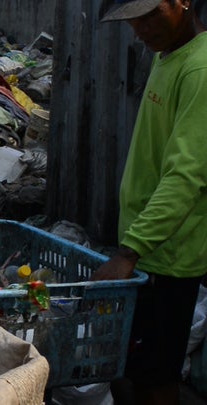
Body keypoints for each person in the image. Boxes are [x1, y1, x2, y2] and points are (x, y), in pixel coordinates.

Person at [95, 0, 207, 404]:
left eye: (151, 15)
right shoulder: (169, 56)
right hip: (149, 254)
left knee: (157, 376)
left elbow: (186, 175)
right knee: (139, 368)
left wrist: (130, 251)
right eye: (132, 20)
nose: (140, 29)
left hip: (168, 256)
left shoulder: (200, 69)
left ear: (183, 3)